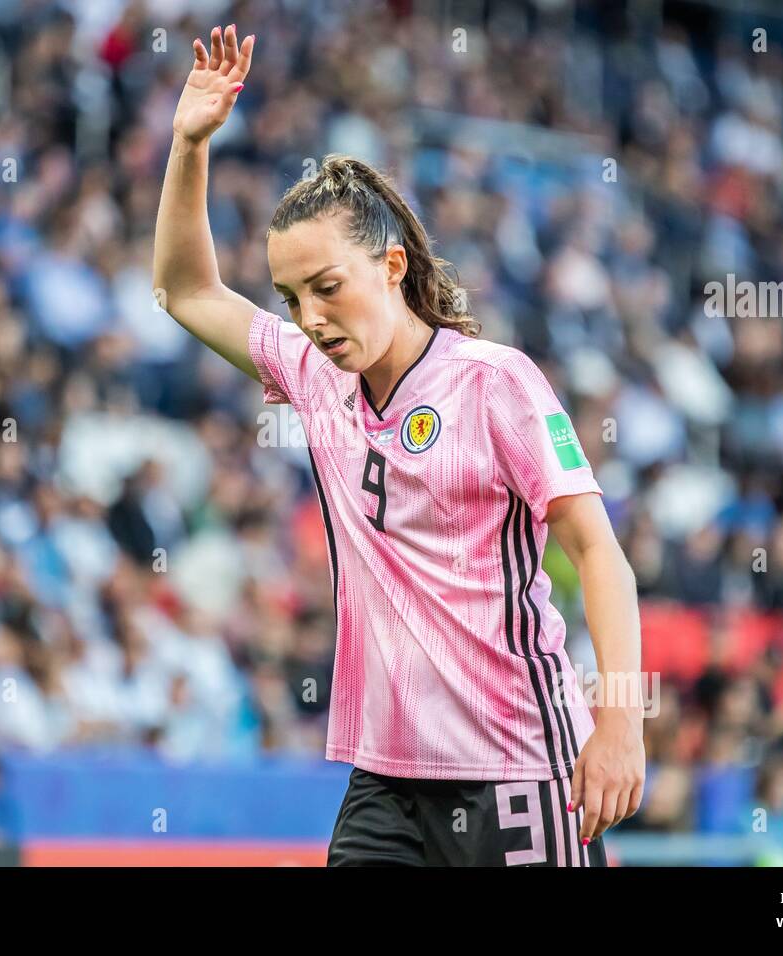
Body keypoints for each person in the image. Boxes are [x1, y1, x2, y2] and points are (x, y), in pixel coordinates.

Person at [153, 24, 645, 866]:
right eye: (290, 295)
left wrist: (622, 723)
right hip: (384, 780)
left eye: (327, 287)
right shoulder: (313, 374)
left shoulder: (495, 381)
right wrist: (188, 143)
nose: (309, 316)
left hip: (520, 765)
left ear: (389, 267)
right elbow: (186, 289)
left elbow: (599, 552)